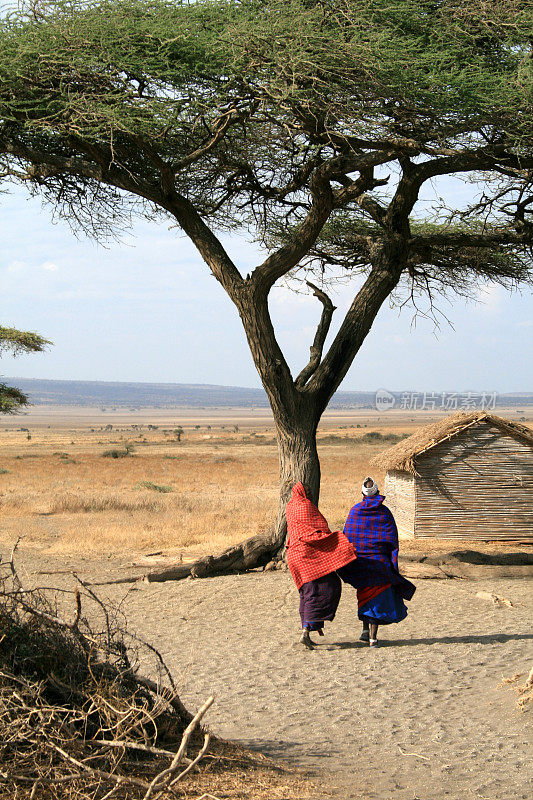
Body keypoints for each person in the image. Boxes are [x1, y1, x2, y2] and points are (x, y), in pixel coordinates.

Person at [337, 477, 415, 647]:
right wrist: (391, 560)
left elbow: (347, 536)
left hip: (361, 564)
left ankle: (366, 631)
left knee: (365, 596)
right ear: (378, 492)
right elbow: (392, 539)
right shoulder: (385, 512)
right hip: (380, 565)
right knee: (377, 599)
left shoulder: (355, 511)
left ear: (362, 494)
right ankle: (372, 637)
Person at [285, 481, 356, 649]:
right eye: (308, 491)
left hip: (294, 554)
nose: (310, 494)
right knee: (324, 586)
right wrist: (334, 538)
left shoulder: (290, 506)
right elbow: (319, 526)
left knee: (307, 591)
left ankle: (307, 629)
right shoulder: (306, 505)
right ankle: (306, 631)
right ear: (303, 493)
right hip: (306, 553)